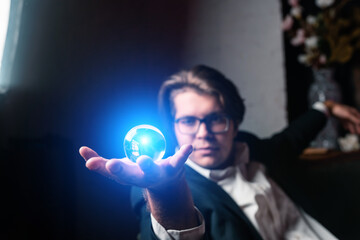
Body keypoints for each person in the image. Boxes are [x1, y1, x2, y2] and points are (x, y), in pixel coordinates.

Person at [79, 65, 360, 240]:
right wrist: (165, 193)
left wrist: (328, 108)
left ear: (234, 123)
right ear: (172, 127)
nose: (203, 133)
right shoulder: (155, 185)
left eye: (215, 119)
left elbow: (290, 139)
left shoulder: (251, 147)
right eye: (188, 121)